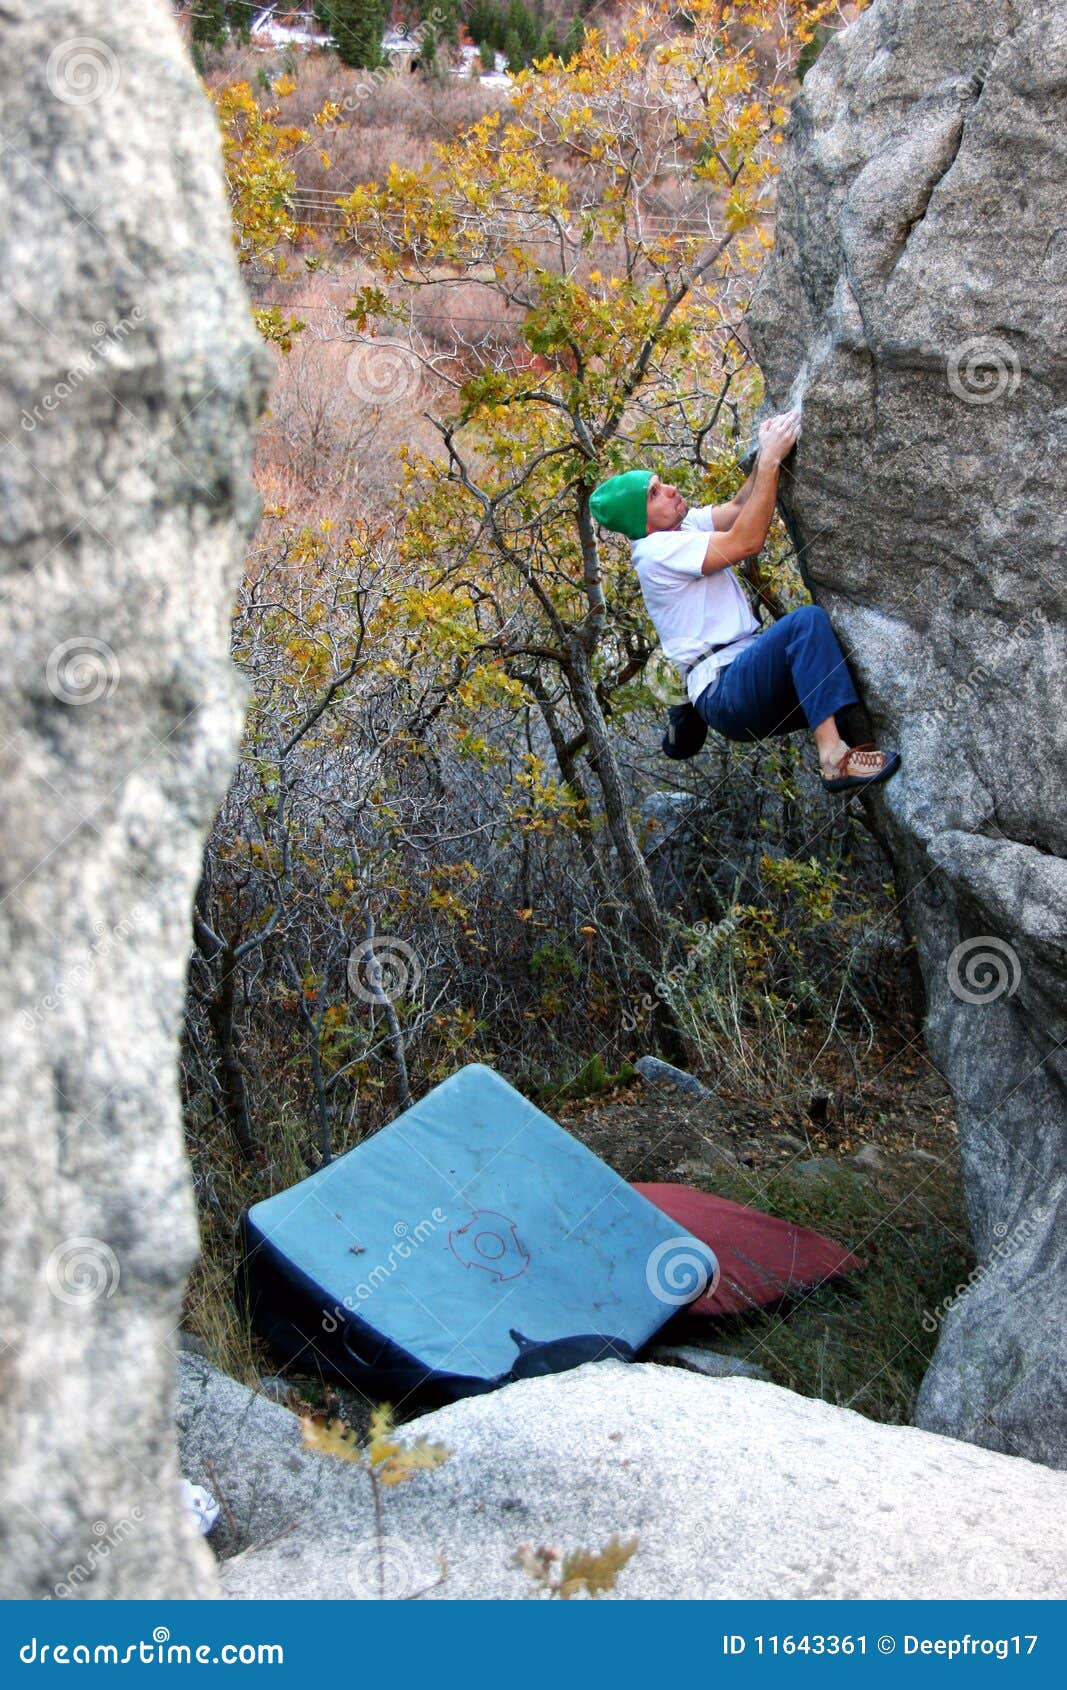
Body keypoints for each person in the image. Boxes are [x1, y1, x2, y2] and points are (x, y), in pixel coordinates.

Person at [588, 410, 901, 793]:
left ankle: (852, 750)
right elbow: (746, 540)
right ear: (640, 520)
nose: (669, 489)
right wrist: (769, 460)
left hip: (741, 680)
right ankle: (833, 760)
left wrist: (766, 446)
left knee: (840, 677)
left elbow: (738, 509)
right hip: (726, 689)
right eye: (654, 494)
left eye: (662, 483)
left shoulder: (682, 526)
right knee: (806, 624)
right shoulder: (655, 553)